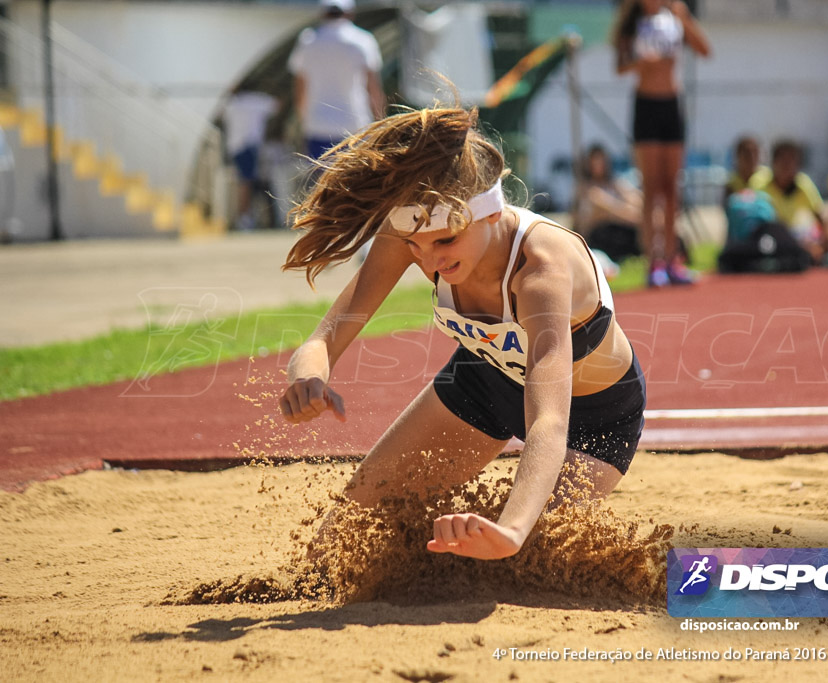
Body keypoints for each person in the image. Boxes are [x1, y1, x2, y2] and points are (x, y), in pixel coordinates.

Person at [279, 105, 646, 561]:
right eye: (417, 247)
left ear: (490, 212)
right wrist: (308, 378)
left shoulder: (541, 268)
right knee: (337, 546)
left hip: (591, 418)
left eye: (446, 242)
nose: (429, 261)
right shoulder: (418, 229)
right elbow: (321, 341)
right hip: (482, 384)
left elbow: (550, 419)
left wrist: (511, 531)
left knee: (530, 563)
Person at [612, 0, 711, 287]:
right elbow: (620, 66)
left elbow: (704, 50)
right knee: (652, 187)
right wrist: (642, 63)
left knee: (671, 189)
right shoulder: (632, 22)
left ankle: (672, 260)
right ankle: (653, 262)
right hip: (646, 106)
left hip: (672, 106)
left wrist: (685, 19)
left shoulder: (675, 17)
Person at [288, 0, 385, 162]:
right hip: (355, 124)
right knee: (355, 181)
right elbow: (373, 87)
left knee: (321, 183)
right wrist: (380, 121)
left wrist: (303, 120)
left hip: (317, 124)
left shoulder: (308, 41)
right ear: (350, 13)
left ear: (322, 14)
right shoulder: (363, 41)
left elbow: (300, 87)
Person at [752, 140, 828, 263]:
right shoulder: (759, 185)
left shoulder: (803, 184)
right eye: (784, 162)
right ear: (773, 163)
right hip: (767, 239)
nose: (788, 167)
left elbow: (822, 219)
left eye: (792, 163)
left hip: (796, 237)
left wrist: (827, 239)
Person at [572, 143, 643, 263]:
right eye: (594, 161)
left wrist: (614, 208)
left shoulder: (614, 183)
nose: (598, 165)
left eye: (601, 160)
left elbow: (637, 201)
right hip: (599, 235)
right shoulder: (585, 188)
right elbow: (584, 219)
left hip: (622, 227)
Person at [221, 88, 279, 231]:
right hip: (247, 145)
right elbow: (277, 105)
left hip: (235, 147)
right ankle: (244, 218)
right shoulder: (258, 100)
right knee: (246, 182)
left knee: (245, 181)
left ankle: (245, 217)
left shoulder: (231, 104)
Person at [721, 135, 768, 208]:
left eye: (755, 153)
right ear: (738, 155)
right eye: (747, 153)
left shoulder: (768, 177)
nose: (752, 158)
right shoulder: (732, 182)